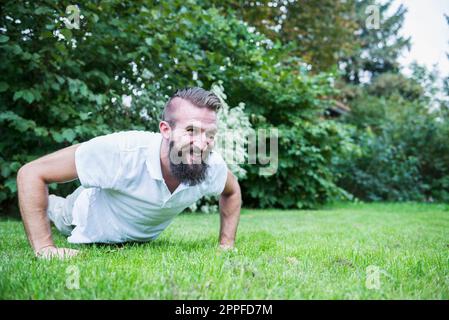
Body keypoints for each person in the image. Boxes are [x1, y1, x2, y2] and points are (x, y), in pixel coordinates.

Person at [16, 87, 242, 259]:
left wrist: (226, 244)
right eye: (191, 131)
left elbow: (232, 193)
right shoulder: (121, 150)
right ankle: (51, 204)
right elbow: (31, 173)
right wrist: (45, 248)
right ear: (166, 129)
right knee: (57, 211)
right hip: (81, 213)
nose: (202, 144)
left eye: (210, 134)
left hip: (131, 232)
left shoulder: (211, 165)